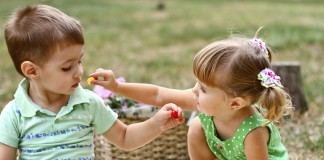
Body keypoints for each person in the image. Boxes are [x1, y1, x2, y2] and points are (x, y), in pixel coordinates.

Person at [0, 4, 184, 160]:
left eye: (79, 61)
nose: (79, 71)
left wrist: (156, 124)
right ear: (32, 71)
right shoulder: (14, 115)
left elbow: (125, 137)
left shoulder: (88, 104)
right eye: (67, 67)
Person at [90, 28, 293, 160]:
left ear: (235, 103)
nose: (195, 90)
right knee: (196, 125)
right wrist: (117, 87)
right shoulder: (205, 103)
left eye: (203, 89)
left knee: (197, 124)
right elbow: (158, 95)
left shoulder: (253, 132)